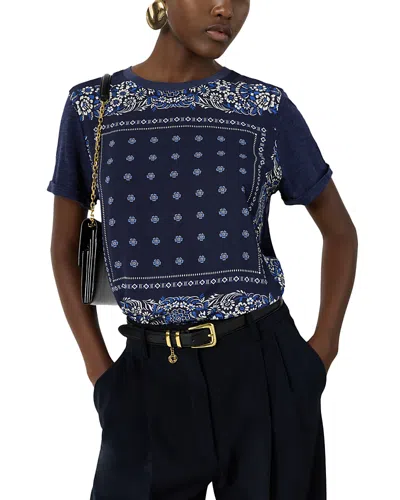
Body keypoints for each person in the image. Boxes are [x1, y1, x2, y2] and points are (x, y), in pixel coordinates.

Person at [47, 1, 358, 498]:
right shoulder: (93, 107)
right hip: (146, 379)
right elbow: (64, 248)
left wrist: (320, 354)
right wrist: (100, 373)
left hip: (263, 371)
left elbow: (340, 232)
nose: (225, 9)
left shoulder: (263, 108)